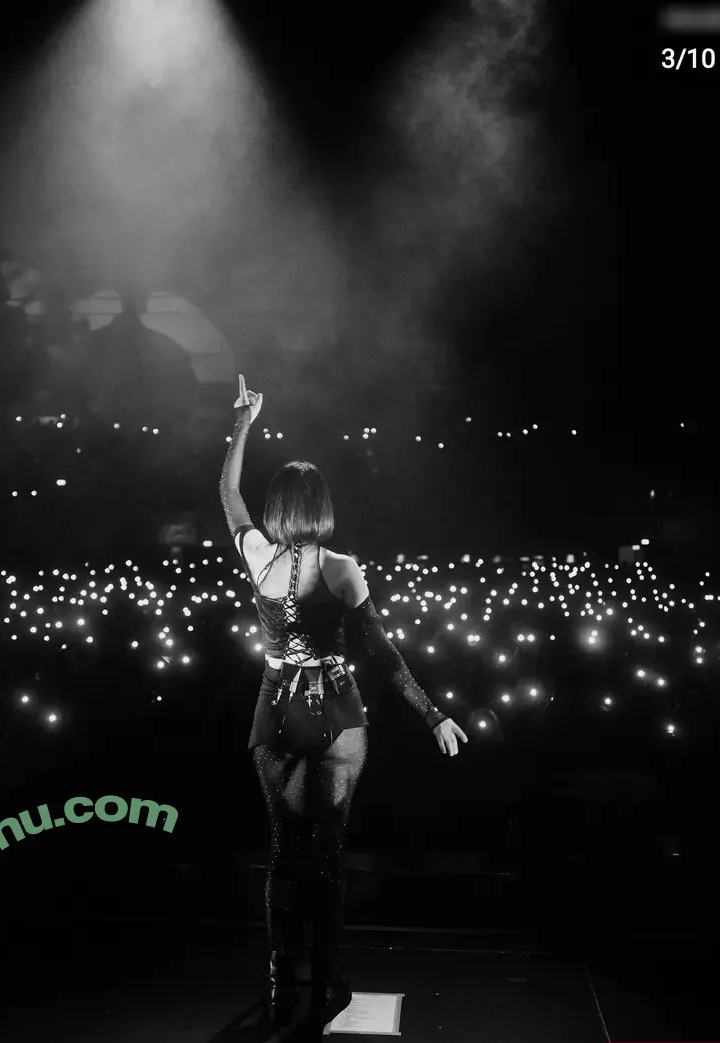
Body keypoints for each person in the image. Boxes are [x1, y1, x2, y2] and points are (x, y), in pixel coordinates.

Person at [219, 375, 469, 1026]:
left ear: (278, 508)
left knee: (284, 853)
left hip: (276, 706)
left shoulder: (258, 555)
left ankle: (283, 988)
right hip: (334, 711)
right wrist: (433, 713)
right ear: (321, 507)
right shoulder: (341, 567)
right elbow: (382, 654)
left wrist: (242, 424)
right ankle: (324, 982)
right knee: (325, 857)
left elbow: (228, 495)